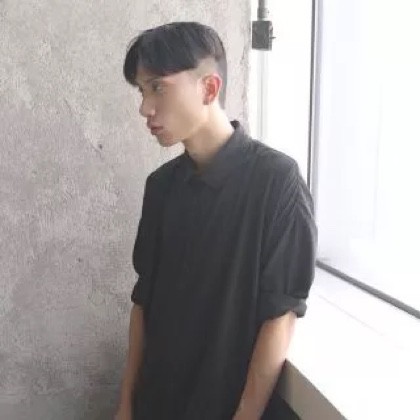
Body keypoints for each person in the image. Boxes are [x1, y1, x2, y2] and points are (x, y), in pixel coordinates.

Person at [115, 21, 317, 420]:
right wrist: (125, 406)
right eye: (141, 91)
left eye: (157, 87)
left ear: (209, 88)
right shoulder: (161, 187)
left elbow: (280, 315)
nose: (145, 108)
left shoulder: (277, 181)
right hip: (156, 403)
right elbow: (143, 304)